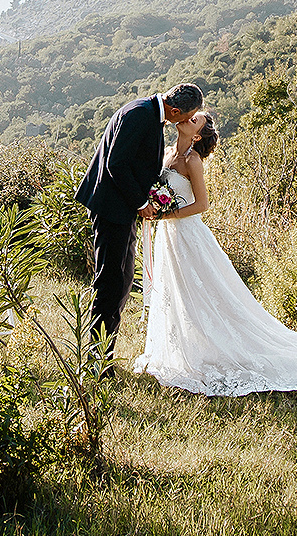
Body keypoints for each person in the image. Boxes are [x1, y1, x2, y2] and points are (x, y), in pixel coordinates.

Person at [132, 110, 297, 395]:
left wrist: (166, 215)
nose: (188, 118)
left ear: (197, 135)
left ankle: (217, 347)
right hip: (168, 237)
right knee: (175, 292)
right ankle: (181, 349)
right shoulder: (168, 152)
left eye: (194, 119)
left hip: (188, 234)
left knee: (205, 293)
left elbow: (202, 204)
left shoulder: (193, 161)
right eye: (189, 116)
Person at [75, 82, 204, 369]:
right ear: (174, 110)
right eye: (185, 117)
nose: (184, 123)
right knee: (109, 282)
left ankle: (102, 357)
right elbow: (116, 164)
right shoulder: (139, 114)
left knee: (121, 280)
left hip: (121, 209)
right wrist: (142, 203)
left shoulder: (150, 114)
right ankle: (96, 363)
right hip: (111, 209)